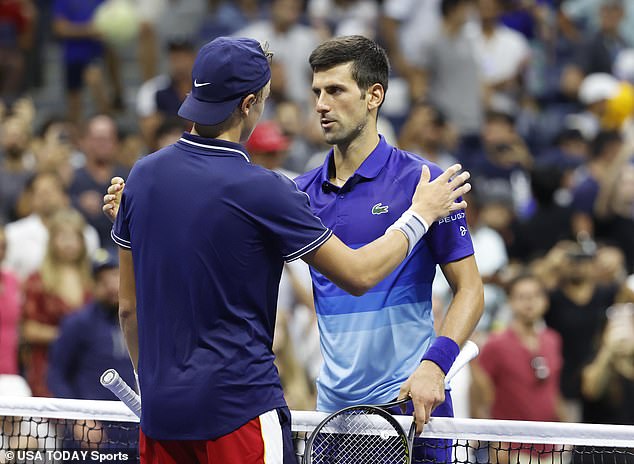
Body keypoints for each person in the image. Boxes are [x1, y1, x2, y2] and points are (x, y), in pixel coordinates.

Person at [106, 36, 471, 463]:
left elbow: (471, 289)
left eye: (334, 91)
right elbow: (358, 274)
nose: (320, 103)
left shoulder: (425, 181)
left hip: (412, 410)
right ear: (249, 104)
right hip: (323, 417)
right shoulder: (288, 193)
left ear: (375, 96)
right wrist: (418, 216)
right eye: (316, 91)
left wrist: (437, 363)